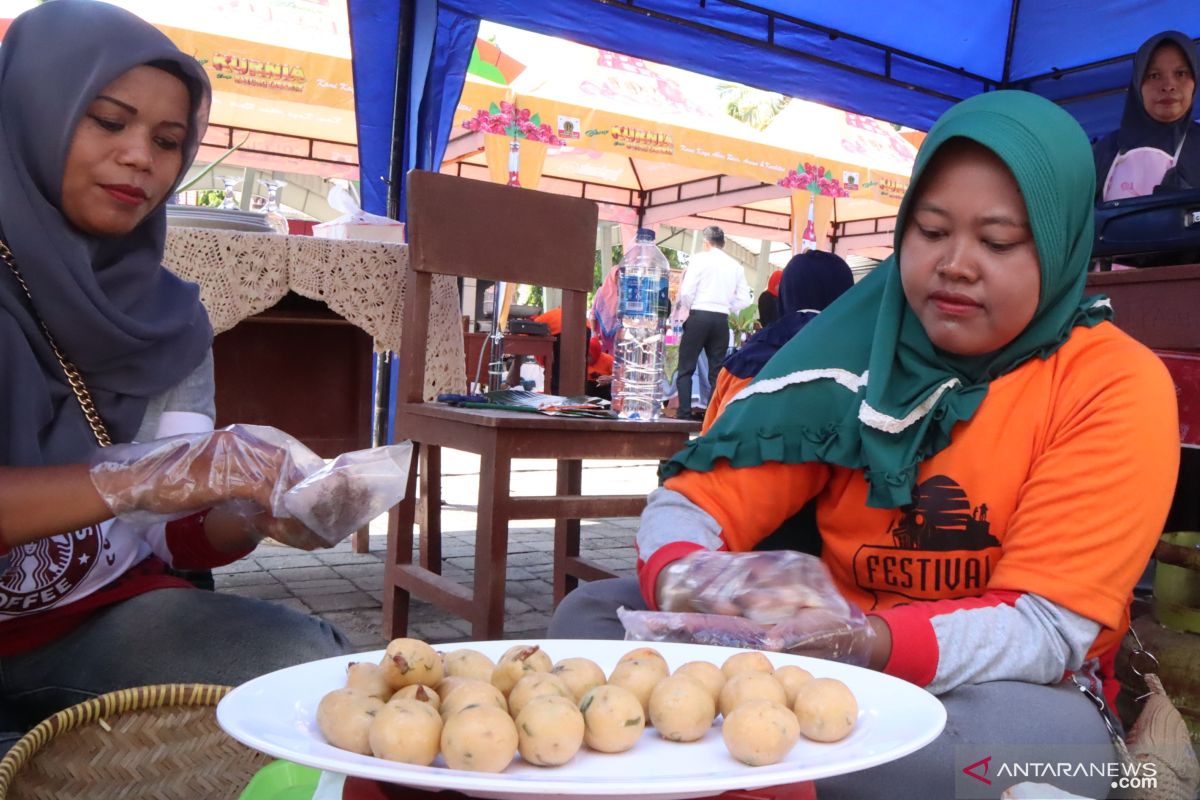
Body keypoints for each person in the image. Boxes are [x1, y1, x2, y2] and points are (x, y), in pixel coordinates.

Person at [549, 90, 1180, 798]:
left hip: (1020, 692)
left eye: (998, 241)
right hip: (818, 653)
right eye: (931, 230)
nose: (956, 264)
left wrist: (870, 641)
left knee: (917, 761)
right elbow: (695, 496)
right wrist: (683, 575)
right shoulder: (853, 353)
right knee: (589, 622)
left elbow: (1043, 629)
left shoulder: (1113, 383)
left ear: (1063, 243)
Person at [0, 0, 346, 751]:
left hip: (96, 624)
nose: (140, 158)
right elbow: (145, 486)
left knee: (309, 677)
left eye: (167, 140)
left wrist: (251, 512)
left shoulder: (166, 321)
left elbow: (164, 539)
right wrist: (135, 480)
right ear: (30, 111)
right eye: (107, 120)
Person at [701, 250, 854, 431]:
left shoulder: (740, 363)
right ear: (850, 296)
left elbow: (707, 441)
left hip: (732, 457)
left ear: (784, 294)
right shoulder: (868, 364)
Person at [1093, 30, 1200, 202]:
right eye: (1154, 75)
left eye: (1180, 73)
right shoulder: (1104, 151)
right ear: (1137, 84)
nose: (1168, 86)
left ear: (1195, 81)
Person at [671, 225, 751, 419]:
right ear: (722, 243)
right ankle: (713, 415)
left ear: (706, 243)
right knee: (716, 370)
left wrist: (693, 306)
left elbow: (687, 292)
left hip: (699, 315)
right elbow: (745, 299)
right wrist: (726, 306)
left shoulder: (699, 259)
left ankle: (684, 413)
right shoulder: (736, 266)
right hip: (721, 319)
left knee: (686, 368)